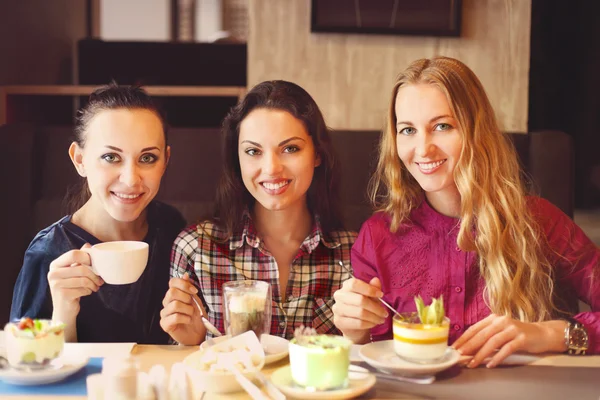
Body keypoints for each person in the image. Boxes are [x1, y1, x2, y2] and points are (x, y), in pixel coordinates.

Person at [332, 56, 600, 366]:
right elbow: (371, 355)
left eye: (442, 126)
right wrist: (354, 333)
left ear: (476, 131)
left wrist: (551, 334)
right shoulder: (377, 235)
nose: (422, 149)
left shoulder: (537, 220)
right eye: (407, 130)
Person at [159, 80, 356, 345]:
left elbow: (362, 363)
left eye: (290, 149)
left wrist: (362, 335)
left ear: (317, 153)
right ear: (237, 159)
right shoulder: (196, 248)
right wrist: (189, 341)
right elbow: (187, 372)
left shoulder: (352, 252)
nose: (271, 168)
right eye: (253, 151)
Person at [11, 84, 186, 343]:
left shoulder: (171, 227)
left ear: (165, 161)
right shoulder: (48, 252)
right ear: (79, 160)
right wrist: (63, 315)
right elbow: (25, 366)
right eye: (110, 157)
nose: (130, 179)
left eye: (147, 158)